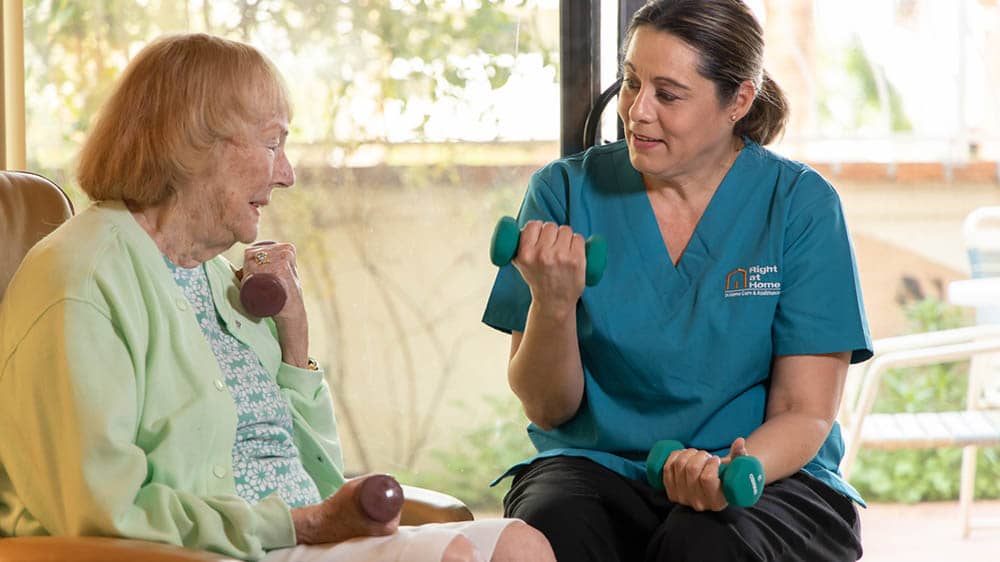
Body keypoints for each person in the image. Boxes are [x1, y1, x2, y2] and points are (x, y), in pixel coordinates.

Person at [0, 33, 554, 562]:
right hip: (215, 553)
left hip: (289, 543)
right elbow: (99, 511)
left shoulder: (216, 280)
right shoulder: (79, 284)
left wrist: (294, 343)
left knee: (521, 546)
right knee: (456, 555)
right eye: (272, 143)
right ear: (196, 145)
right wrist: (301, 524)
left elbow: (317, 475)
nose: (286, 174)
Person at [482, 1, 872, 560]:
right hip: (596, 467)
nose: (637, 111)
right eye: (632, 83)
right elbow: (548, 409)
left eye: (668, 94)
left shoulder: (800, 205)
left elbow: (804, 410)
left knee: (705, 543)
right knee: (550, 532)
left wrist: (732, 471)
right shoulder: (563, 191)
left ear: (738, 99)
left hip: (764, 471)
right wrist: (553, 301)